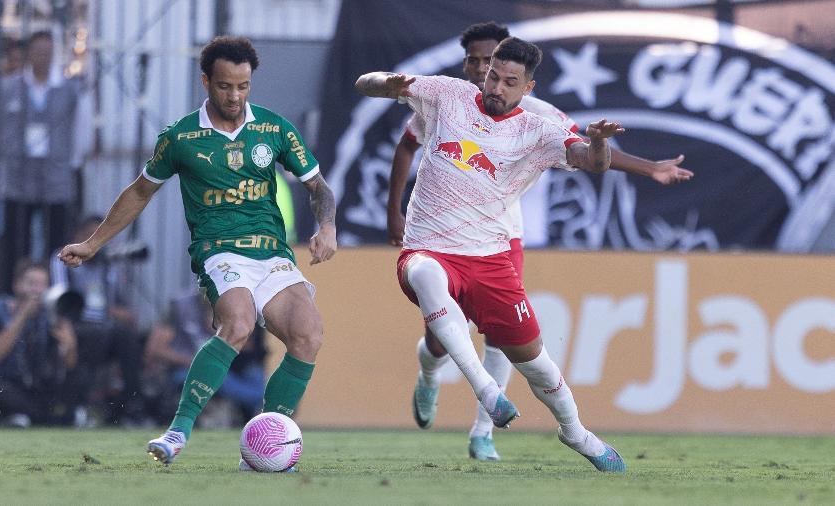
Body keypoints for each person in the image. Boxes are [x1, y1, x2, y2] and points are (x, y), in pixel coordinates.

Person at [388, 22, 693, 462]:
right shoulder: (446, 99)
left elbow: (589, 149)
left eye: (494, 68)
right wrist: (393, 210)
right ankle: (431, 374)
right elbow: (406, 144)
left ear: (525, 84)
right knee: (437, 337)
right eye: (477, 63)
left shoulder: (539, 118)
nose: (483, 75)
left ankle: (482, 433)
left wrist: (649, 168)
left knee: (505, 340)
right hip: (438, 234)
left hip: (500, 233)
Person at [58, 36, 337, 468]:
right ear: (206, 81)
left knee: (309, 335)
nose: (235, 96)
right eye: (225, 86)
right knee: (239, 324)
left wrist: (327, 227)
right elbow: (139, 192)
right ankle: (178, 431)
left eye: (243, 86)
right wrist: (93, 243)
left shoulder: (274, 128)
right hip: (219, 251)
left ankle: (268, 442)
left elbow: (317, 186)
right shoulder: (181, 137)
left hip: (272, 254)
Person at [356, 36, 627, 472]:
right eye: (492, 76)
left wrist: (597, 142)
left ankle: (577, 433)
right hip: (429, 247)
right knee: (425, 273)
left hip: (490, 258)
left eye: (509, 82)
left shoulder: (539, 129)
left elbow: (594, 162)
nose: (496, 87)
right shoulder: (449, 95)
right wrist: (388, 82)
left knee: (536, 364)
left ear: (529, 88)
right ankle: (485, 392)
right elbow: (365, 84)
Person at [0, 30, 90, 285]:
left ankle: (55, 286)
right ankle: (13, 286)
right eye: (38, 52)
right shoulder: (9, 87)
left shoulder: (68, 89)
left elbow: (79, 128)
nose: (43, 58)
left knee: (56, 238)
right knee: (17, 238)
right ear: (29, 54)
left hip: (55, 173)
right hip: (18, 174)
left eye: (48, 53)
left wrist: (74, 162)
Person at [50, 216, 145, 425]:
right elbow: (59, 299)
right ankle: (80, 405)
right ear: (78, 238)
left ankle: (131, 405)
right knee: (98, 334)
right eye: (89, 236)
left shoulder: (108, 263)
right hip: (75, 323)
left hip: (105, 325)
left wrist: (122, 314)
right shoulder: (65, 257)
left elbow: (117, 305)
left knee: (127, 337)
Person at [0, 260, 80, 427]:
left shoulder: (50, 317)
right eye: (32, 283)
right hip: (0, 383)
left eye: (43, 285)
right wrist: (22, 315)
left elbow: (69, 365)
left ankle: (28, 418)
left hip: (33, 388)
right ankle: (46, 419)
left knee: (72, 385)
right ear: (16, 285)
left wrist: (70, 345)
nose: (37, 290)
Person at [144, 291, 267, 425]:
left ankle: (259, 418)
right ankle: (263, 412)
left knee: (255, 374)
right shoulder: (180, 306)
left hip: (225, 366)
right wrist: (193, 361)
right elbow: (155, 349)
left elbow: (247, 347)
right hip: (185, 368)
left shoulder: (233, 305)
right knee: (224, 381)